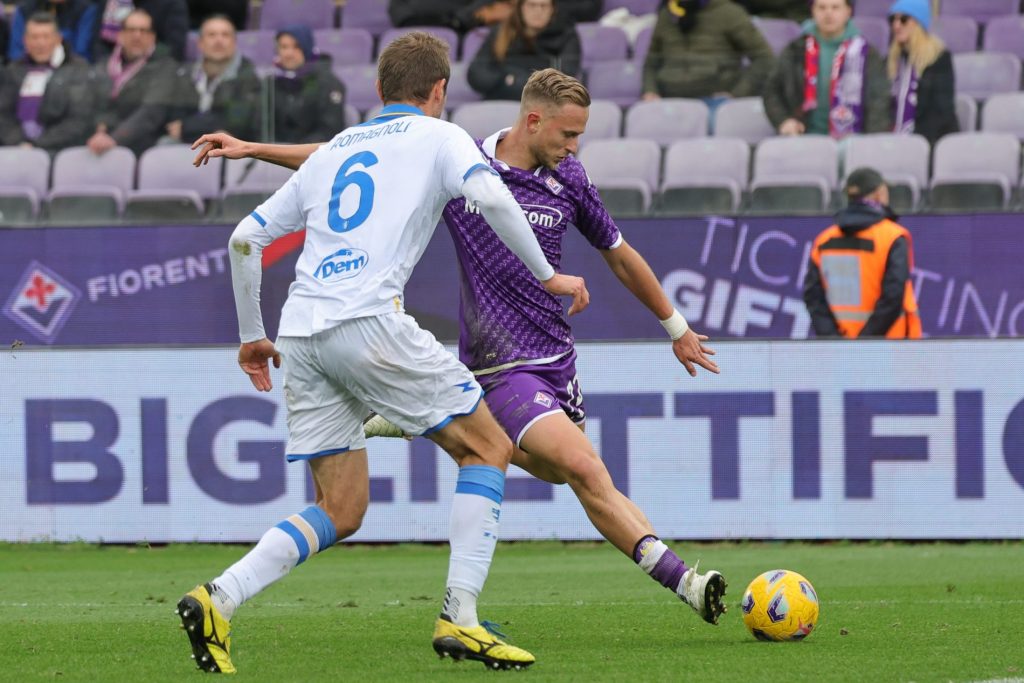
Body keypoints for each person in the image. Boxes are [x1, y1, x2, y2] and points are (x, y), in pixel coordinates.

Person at [190, 68, 729, 628]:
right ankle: (683, 583)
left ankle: (410, 419)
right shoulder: (458, 156)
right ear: (533, 119)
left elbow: (619, 253)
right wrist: (254, 149)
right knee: (585, 467)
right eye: (568, 134)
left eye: (579, 137)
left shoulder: (569, 177)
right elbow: (345, 158)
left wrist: (676, 327)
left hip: (554, 360)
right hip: (500, 362)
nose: (575, 147)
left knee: (566, 474)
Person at [178, 32, 590, 674]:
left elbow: (244, 238)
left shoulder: (338, 147)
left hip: (302, 334)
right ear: (439, 91)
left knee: (340, 509)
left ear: (378, 90)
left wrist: (250, 335)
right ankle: (462, 616)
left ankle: (218, 598)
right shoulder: (443, 135)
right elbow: (489, 196)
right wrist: (547, 275)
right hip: (368, 321)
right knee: (488, 447)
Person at [803, 166, 922, 339]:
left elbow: (814, 297)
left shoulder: (824, 240)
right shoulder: (893, 237)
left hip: (839, 350)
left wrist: (833, 340)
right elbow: (893, 297)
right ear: (880, 193)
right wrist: (865, 343)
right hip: (891, 349)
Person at [763, 0, 891, 138]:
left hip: (854, 140)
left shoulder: (866, 52)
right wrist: (783, 121)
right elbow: (772, 90)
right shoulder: (796, 49)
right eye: (822, 7)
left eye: (835, 7)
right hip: (805, 138)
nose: (828, 13)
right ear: (813, 11)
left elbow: (880, 100)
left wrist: (868, 142)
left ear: (848, 11)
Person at [641, 0, 774, 107]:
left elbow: (764, 59)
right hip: (668, 100)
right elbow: (651, 62)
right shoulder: (666, 15)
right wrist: (650, 91)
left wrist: (736, 94)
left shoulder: (729, 13)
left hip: (714, 102)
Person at [88, 8, 177, 156]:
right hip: (96, 142)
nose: (137, 36)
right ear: (120, 35)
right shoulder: (103, 66)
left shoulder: (165, 68)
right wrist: (99, 129)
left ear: (153, 37)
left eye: (144, 31)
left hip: (141, 148)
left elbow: (151, 113)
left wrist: (113, 138)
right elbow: (91, 104)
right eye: (131, 30)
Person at [0, 12, 94, 151]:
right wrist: (20, 143)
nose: (40, 43)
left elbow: (78, 119)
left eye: (46, 36)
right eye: (34, 37)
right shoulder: (13, 70)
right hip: (16, 149)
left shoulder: (78, 69)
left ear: (58, 39)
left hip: (60, 151)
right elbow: (3, 115)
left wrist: (38, 145)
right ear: (25, 41)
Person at [165, 14, 261, 145]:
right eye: (212, 35)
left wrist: (186, 127)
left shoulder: (248, 76)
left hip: (232, 148)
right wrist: (212, 127)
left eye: (225, 35)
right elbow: (173, 121)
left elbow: (237, 123)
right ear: (200, 43)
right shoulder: (185, 73)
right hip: (185, 144)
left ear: (234, 43)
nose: (218, 40)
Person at [468, 0, 581, 100]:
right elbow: (476, 74)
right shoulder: (501, 33)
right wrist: (504, 78)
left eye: (544, 6)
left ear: (552, 9)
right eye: (532, 5)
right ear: (521, 7)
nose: (538, 11)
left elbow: (564, 79)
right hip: (500, 100)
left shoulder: (566, 35)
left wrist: (512, 80)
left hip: (546, 104)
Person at [887, 0, 957, 144]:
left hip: (932, 140)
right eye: (893, 19)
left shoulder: (939, 58)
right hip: (897, 140)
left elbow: (942, 112)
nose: (896, 25)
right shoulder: (894, 59)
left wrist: (914, 144)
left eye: (904, 19)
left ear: (919, 23)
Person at [268, 25, 347, 143]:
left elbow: (330, 130)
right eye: (284, 47)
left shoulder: (328, 83)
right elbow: (262, 126)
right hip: (272, 155)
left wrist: (292, 151)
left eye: (296, 47)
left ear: (307, 48)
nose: (289, 53)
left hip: (314, 155)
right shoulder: (271, 84)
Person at [95, 0, 189, 62]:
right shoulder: (111, 2)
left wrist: (141, 61)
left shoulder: (172, 3)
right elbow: (98, 43)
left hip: (155, 68)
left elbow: (175, 48)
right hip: (115, 66)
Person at [7, 0, 98, 62]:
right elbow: (15, 52)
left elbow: (82, 51)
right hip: (28, 68)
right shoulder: (25, 9)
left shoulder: (85, 9)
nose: (41, 43)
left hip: (69, 70)